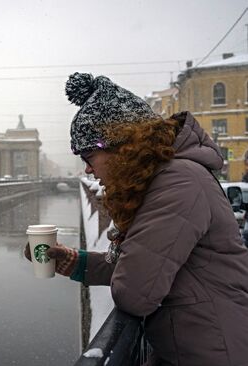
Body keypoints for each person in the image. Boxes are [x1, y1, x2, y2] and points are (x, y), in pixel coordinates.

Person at [25, 72, 248, 366]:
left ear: (122, 146)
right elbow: (150, 265)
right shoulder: (169, 179)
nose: (88, 170)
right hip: (196, 345)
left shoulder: (178, 183)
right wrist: (76, 262)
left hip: (213, 351)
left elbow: (135, 292)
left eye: (88, 155)